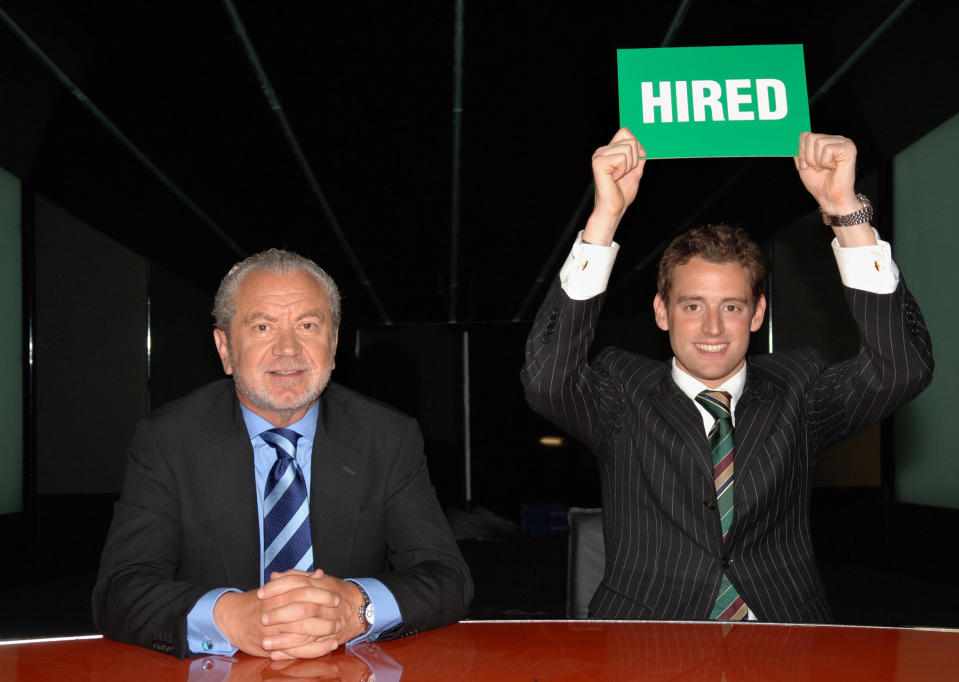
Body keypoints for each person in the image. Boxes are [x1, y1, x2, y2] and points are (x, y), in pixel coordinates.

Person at [522, 129, 933, 622]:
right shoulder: (622, 396)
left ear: (757, 315)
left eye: (732, 307)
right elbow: (546, 378)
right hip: (645, 645)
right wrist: (604, 217)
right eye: (692, 305)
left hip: (785, 640)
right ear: (661, 312)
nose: (712, 327)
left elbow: (902, 366)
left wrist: (847, 211)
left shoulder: (798, 392)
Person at [94, 249, 473, 659]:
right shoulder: (168, 440)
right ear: (224, 348)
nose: (288, 349)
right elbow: (120, 589)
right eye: (262, 326)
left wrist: (356, 607)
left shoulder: (388, 437)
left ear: (333, 342)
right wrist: (228, 617)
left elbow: (447, 577)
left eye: (308, 325)